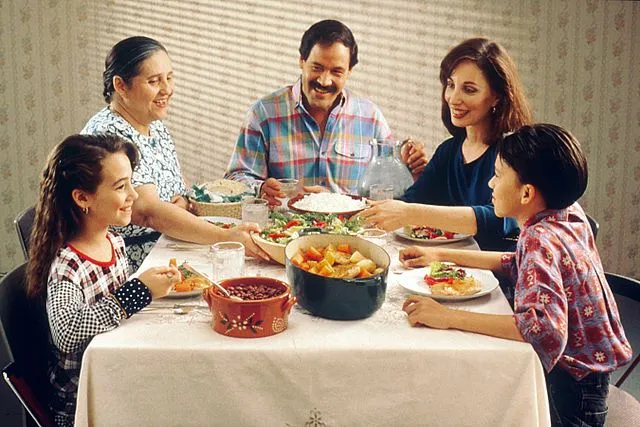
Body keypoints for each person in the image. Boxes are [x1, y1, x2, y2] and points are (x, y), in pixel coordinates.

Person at [400, 124, 632, 426]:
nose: (490, 184)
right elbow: (517, 262)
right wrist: (440, 255)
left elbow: (540, 330)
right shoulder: (567, 213)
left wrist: (446, 316)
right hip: (590, 377)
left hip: (570, 389)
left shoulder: (540, 239)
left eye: (497, 175)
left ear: (526, 193)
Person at [25, 134, 182, 427]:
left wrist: (152, 286)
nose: (134, 196)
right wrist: (138, 291)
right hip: (86, 401)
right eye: (121, 187)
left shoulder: (113, 240)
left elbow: (117, 306)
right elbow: (67, 332)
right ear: (82, 198)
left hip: (118, 371)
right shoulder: (68, 266)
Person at [82, 36, 268, 271]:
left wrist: (184, 201)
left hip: (168, 245)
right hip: (129, 264)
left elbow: (174, 191)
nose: (167, 90)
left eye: (169, 78)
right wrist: (226, 236)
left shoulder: (152, 123)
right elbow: (148, 212)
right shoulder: (109, 136)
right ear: (120, 86)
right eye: (154, 81)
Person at [224, 19, 428, 205]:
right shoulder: (263, 114)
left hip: (352, 235)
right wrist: (260, 189)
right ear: (302, 62)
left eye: (336, 71)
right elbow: (236, 178)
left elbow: (389, 184)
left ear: (349, 72)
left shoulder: (370, 116)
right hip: (284, 233)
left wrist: (410, 165)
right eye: (317, 68)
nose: (324, 80)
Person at [360, 38, 533, 251]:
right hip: (450, 269)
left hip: (500, 276)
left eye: (469, 89)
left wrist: (411, 212)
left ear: (497, 97)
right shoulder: (449, 151)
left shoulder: (513, 153)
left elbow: (500, 219)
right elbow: (412, 200)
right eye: (451, 85)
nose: (453, 98)